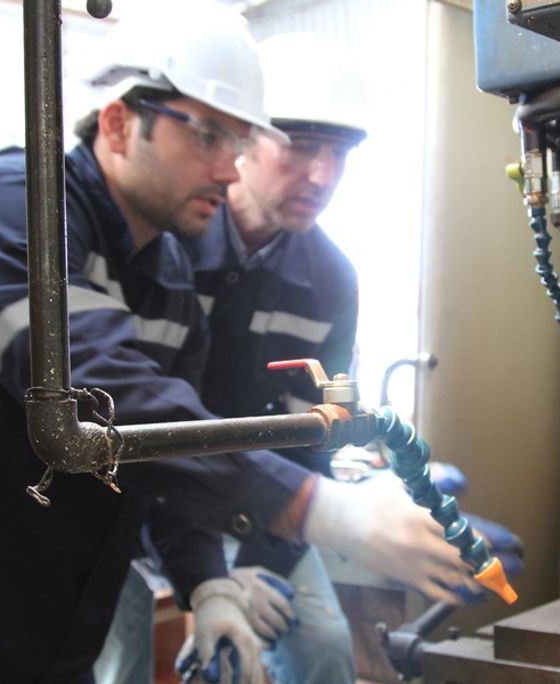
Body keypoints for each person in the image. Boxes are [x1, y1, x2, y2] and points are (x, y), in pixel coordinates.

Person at [0, 4, 472, 683]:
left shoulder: (167, 271)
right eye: (207, 136)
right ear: (119, 124)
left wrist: (210, 582)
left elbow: (167, 445)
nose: (230, 170)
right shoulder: (20, 202)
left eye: (237, 144)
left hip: (72, 579)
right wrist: (313, 509)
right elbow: (103, 395)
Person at [178, 32, 373, 684]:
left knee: (322, 646)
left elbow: (321, 434)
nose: (322, 176)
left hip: (261, 505)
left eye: (338, 154)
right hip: (142, 504)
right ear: (242, 141)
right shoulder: (171, 243)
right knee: (118, 657)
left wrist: (252, 563)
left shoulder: (334, 279)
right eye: (300, 148)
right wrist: (208, 581)